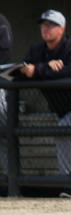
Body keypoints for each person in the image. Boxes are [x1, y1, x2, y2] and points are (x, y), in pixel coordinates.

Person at [19, 10, 71, 198]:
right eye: (43, 25)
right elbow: (21, 71)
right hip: (64, 109)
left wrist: (40, 69)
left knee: (62, 131)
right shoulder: (37, 50)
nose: (46, 29)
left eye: (51, 25)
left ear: (62, 29)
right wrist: (45, 67)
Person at [0, 13, 13, 179]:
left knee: (3, 133)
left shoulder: (1, 21)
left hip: (0, 83)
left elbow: (5, 54)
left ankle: (11, 179)